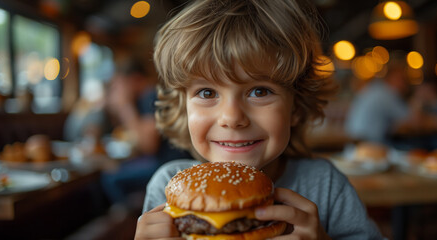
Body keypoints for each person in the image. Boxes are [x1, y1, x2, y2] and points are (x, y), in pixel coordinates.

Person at [135, 0, 384, 239]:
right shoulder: (168, 187)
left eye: (260, 91)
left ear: (296, 106)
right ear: (185, 108)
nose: (232, 118)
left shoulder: (325, 185)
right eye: (207, 93)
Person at [101, 58, 191, 206]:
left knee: (111, 179)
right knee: (115, 170)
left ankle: (130, 221)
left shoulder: (151, 95)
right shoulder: (146, 97)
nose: (117, 91)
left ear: (135, 79)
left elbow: (149, 146)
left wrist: (125, 106)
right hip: (162, 161)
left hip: (171, 166)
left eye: (120, 84)